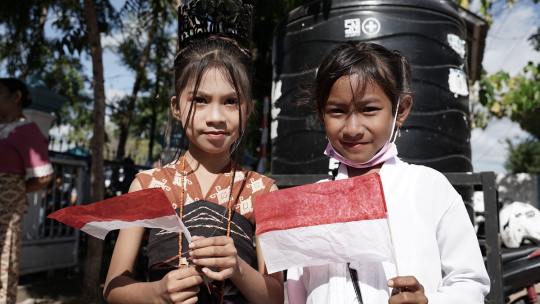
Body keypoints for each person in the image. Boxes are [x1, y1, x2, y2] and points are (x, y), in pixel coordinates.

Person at [103, 1, 284, 303]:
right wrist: (157, 292)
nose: (216, 116)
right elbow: (113, 288)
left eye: (231, 101)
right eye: (200, 100)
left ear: (248, 109)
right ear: (176, 107)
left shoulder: (261, 191)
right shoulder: (149, 186)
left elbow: (276, 296)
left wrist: (238, 268)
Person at [286, 42, 490, 304]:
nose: (352, 128)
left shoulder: (429, 189)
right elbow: (297, 289)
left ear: (400, 110)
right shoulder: (311, 201)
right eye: (336, 111)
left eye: (369, 109)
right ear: (320, 113)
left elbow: (470, 281)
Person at [0, 78, 53, 304]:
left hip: (5, 210)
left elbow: (44, 176)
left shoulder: (27, 130)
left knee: (4, 262)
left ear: (16, 96)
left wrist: (14, 192)